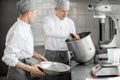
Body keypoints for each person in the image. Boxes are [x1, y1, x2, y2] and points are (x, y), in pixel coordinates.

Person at [2, 0, 47, 80]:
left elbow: (22, 48)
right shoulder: (17, 31)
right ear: (29, 13)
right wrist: (30, 68)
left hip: (23, 68)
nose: (36, 16)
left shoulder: (25, 27)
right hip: (17, 71)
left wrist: (36, 56)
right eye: (36, 13)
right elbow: (8, 57)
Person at [43, 0, 79, 80]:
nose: (65, 13)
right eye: (63, 11)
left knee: (64, 78)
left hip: (65, 55)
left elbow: (72, 40)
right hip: (51, 54)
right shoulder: (48, 19)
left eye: (67, 11)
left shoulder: (70, 22)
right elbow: (50, 32)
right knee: (50, 78)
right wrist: (68, 35)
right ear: (56, 9)